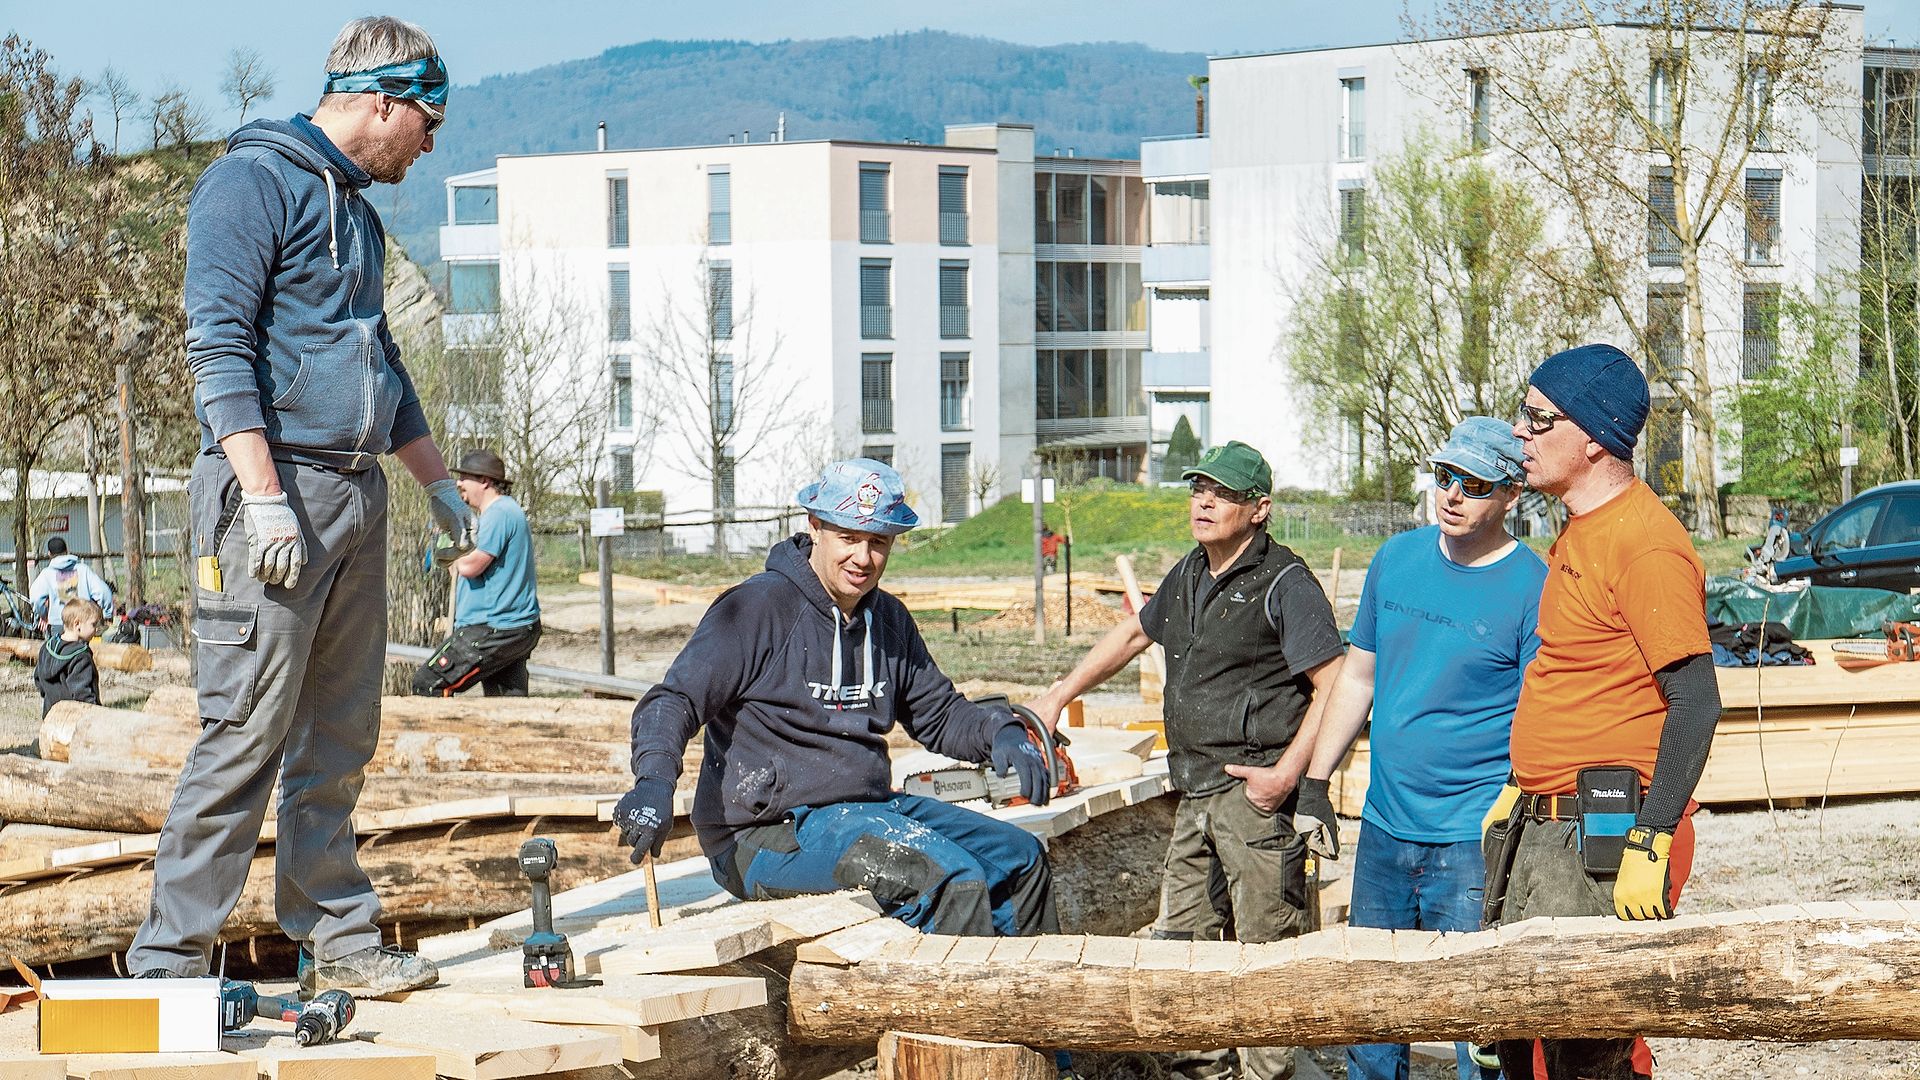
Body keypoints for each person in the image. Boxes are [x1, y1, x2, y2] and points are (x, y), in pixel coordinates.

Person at [127, 17, 475, 999]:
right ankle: (167, 970)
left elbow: (384, 366)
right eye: (429, 122)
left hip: (356, 494)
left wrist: (434, 482)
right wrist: (265, 496)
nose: (431, 144)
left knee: (337, 738)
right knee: (243, 731)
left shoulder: (356, 215)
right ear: (383, 103)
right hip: (270, 501)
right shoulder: (250, 183)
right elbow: (218, 345)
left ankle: (340, 940)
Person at [617, 458, 1058, 939]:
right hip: (763, 835)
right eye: (850, 538)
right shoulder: (757, 609)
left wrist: (1003, 732)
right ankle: (946, 1011)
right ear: (816, 526)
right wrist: (654, 780)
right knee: (948, 879)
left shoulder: (888, 620)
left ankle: (1024, 1002)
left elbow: (940, 715)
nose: (864, 558)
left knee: (1020, 860)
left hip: (866, 811)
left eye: (878, 543)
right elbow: (674, 699)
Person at [1028, 440, 1345, 1080]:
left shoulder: (1285, 581)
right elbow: (1133, 632)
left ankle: (1269, 1074)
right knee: (1182, 943)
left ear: (1259, 509)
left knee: (1265, 953)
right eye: (1199, 488)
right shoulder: (1191, 572)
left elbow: (1333, 682)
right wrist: (1060, 693)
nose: (1204, 501)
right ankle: (1202, 1068)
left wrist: (1289, 776)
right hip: (1194, 791)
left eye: (1222, 493)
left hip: (1255, 796)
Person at [1484, 344, 1720, 1080]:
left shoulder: (1644, 544)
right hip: (1549, 821)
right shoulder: (1580, 527)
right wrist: (1522, 787)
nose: (1518, 432)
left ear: (1590, 436)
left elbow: (1698, 701)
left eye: (1536, 418)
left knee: (1591, 1051)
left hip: (1605, 830)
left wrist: (1650, 839)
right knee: (1521, 1040)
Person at [1294, 417, 1545, 1080]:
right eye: (1443, 477)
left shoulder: (1531, 587)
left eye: (1474, 483)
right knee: (1372, 1021)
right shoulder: (1395, 561)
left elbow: (1535, 720)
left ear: (1512, 496)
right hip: (1382, 833)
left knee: (1478, 1031)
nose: (1452, 494)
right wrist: (1316, 786)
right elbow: (1357, 677)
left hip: (1469, 841)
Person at [413, 449, 543, 697]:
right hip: (510, 627)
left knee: (428, 683)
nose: (459, 483)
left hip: (495, 626)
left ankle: (439, 736)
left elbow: (470, 567)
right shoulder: (500, 513)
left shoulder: (499, 512)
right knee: (506, 705)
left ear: (485, 481)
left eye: (465, 477)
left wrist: (455, 550)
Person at [29, 537, 115, 635]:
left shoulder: (46, 574)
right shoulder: (83, 570)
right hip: (83, 623)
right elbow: (103, 592)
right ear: (67, 551)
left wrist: (43, 614)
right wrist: (107, 613)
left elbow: (35, 599)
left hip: (58, 624)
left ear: (49, 554)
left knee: (57, 649)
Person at [35, 598, 102, 717]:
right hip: (74, 719)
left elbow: (38, 679)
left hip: (50, 714)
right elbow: (81, 693)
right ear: (77, 624)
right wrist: (95, 715)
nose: (96, 629)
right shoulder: (81, 656)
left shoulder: (46, 647)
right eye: (93, 624)